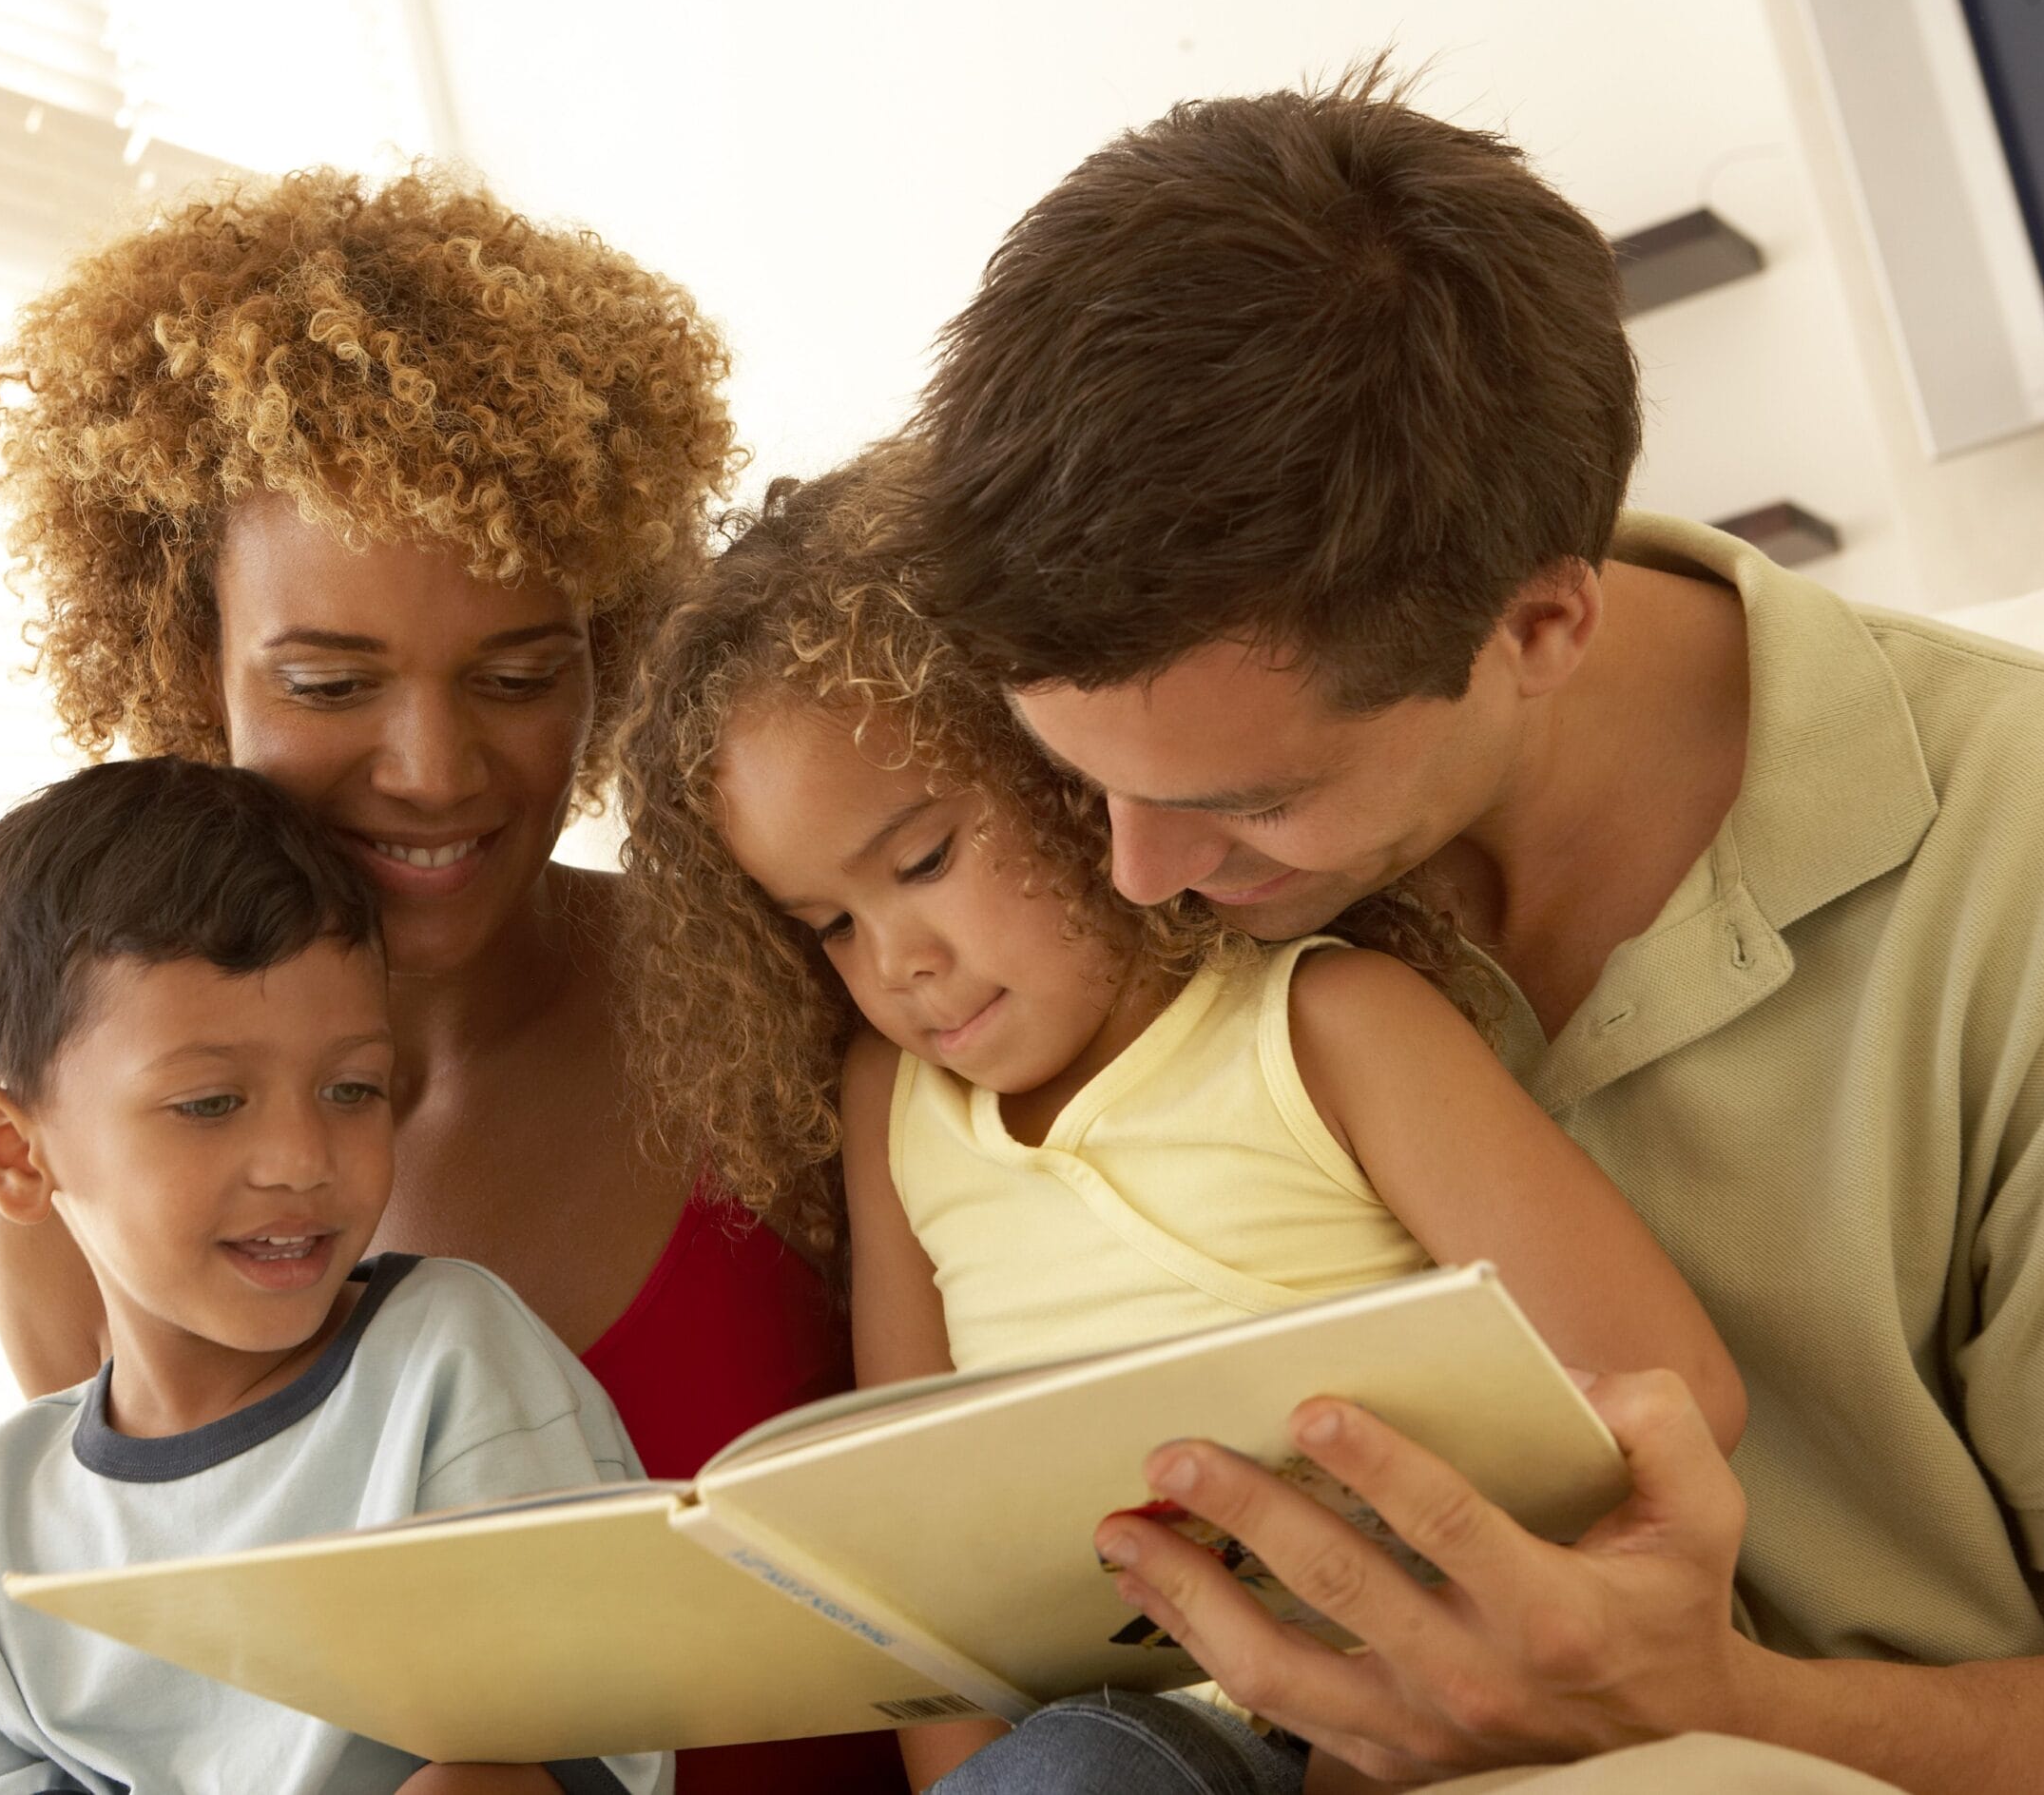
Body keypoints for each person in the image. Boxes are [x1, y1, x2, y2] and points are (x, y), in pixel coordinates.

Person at [900, 65, 2044, 1793]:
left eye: (1249, 801)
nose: (1141, 874)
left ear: (1542, 622)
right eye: (1074, 776)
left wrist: (1727, 1705)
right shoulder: (1100, 888)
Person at [616, 451, 1745, 1792]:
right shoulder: (894, 1102)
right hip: (1117, 1739)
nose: (897, 961)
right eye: (829, 926)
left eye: (923, 862)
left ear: (1063, 762)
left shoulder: (1328, 1025)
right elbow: (913, 1527)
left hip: (1431, 1697)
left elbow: (1664, 1394)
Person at [0, 167, 906, 1794]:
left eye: (521, 673)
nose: (433, 767)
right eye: (330, 679)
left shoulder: (796, 984)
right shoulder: (85, 1171)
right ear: (177, 656)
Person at [0, 756, 664, 1795]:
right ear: (14, 1155)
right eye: (210, 1103)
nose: (303, 1160)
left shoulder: (450, 1366)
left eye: (352, 1088)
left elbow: (546, 1766)